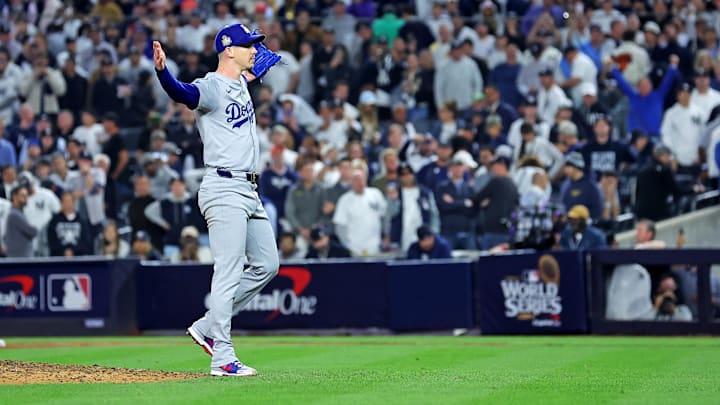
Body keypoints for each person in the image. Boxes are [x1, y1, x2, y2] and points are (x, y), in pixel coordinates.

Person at [154, 24, 281, 377]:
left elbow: (260, 64)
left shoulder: (240, 80)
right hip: (224, 187)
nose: (255, 50)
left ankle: (208, 326)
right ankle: (222, 356)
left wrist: (261, 56)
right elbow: (182, 93)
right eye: (248, 45)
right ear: (228, 50)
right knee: (227, 271)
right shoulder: (211, 87)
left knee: (268, 265)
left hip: (249, 190)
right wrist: (164, 72)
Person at [47, 192, 93, 257]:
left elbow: (86, 241)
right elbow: (51, 241)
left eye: (69, 201)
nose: (67, 204)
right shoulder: (54, 221)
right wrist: (64, 251)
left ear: (73, 203)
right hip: (58, 258)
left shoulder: (81, 221)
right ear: (61, 203)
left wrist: (73, 251)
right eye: (65, 201)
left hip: (78, 259)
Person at [5, 185, 37, 258]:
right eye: (23, 195)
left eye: (26, 196)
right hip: (19, 259)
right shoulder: (14, 214)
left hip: (21, 258)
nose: (26, 198)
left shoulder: (19, 213)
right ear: (14, 196)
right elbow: (32, 231)